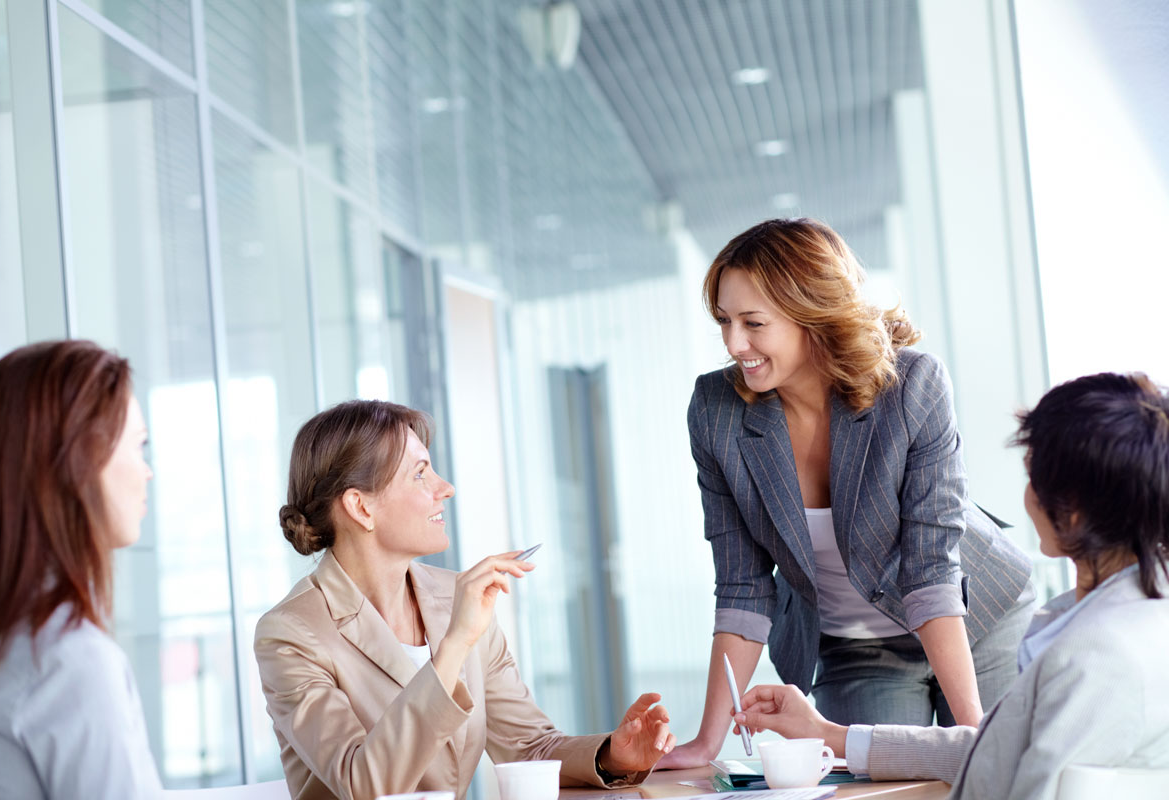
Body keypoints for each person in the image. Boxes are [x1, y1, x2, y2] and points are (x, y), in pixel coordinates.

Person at [661, 218, 1033, 768]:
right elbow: (742, 586)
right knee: (871, 788)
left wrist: (976, 743)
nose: (734, 343)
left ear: (813, 314)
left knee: (995, 776)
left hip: (976, 621)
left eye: (753, 322)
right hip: (858, 648)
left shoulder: (912, 387)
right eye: (724, 320)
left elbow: (931, 570)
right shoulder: (716, 411)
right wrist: (704, 743)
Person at [732, 371, 1169, 799]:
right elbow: (993, 752)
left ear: (1071, 511)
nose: (1027, 494)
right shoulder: (1132, 622)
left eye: (1032, 477)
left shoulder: (1092, 656)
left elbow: (1016, 781)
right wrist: (828, 734)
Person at [254, 399, 675, 800]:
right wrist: (454, 645)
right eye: (420, 474)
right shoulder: (292, 634)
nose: (446, 488)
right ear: (361, 507)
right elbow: (366, 785)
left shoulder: (454, 597)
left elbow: (528, 747)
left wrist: (611, 757)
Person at [0, 341, 161, 799]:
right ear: (78, 463)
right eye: (138, 446)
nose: (147, 472)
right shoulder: (67, 662)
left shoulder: (0, 640)